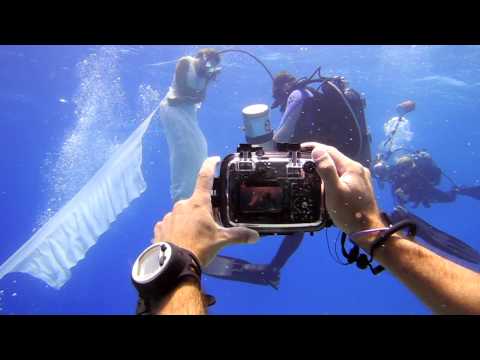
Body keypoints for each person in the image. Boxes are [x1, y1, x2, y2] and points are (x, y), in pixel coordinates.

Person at [145, 143, 480, 315]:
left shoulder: (298, 98)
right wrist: (369, 226)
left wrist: (176, 266)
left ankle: (272, 268)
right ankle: (273, 268)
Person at [204, 69, 372, 287]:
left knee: (265, 203)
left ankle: (221, 234)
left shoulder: (296, 95)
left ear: (282, 89)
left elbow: (281, 137)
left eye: (278, 99)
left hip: (314, 165)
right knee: (298, 214)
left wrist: (260, 148)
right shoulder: (315, 97)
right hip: (331, 164)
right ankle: (273, 269)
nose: (280, 103)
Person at [158, 48, 221, 204]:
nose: (208, 67)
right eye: (208, 63)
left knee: (199, 147)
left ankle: (195, 191)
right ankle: (180, 195)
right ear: (202, 57)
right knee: (183, 150)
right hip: (173, 110)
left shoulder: (205, 74)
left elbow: (200, 97)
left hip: (188, 113)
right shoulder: (185, 62)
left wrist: (207, 79)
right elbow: (181, 90)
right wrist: (195, 92)